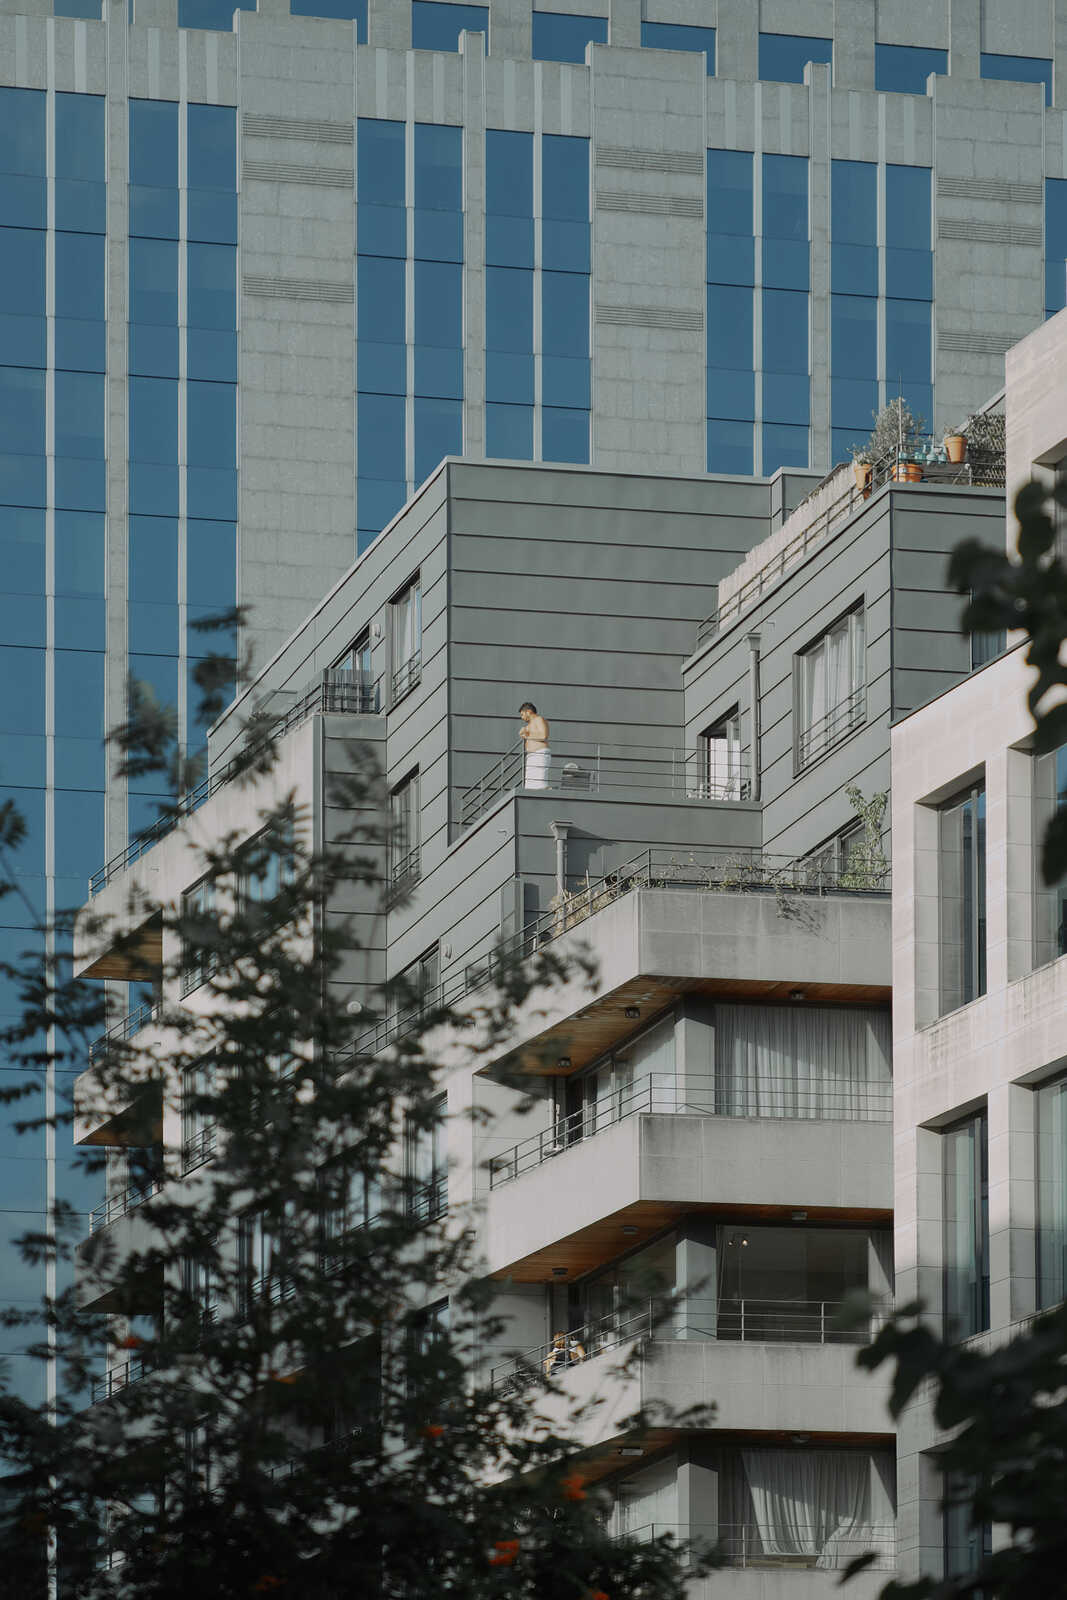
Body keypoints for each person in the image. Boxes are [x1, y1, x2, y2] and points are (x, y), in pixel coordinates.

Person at [519, 701, 551, 789]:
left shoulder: (539, 719)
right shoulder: (529, 725)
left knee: (540, 784)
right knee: (530, 786)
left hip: (540, 754)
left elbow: (543, 735)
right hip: (531, 756)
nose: (522, 718)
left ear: (528, 712)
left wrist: (527, 735)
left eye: (522, 714)